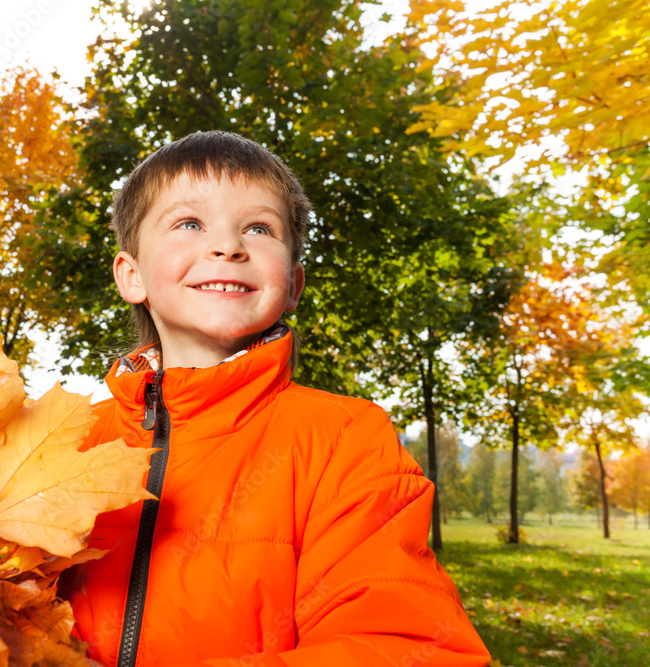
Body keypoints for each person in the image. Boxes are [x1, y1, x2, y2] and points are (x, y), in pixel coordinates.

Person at [63, 130, 491, 666]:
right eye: (190, 224)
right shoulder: (67, 441)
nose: (227, 246)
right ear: (131, 276)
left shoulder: (345, 440)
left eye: (259, 228)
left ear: (291, 283)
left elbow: (402, 644)